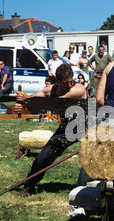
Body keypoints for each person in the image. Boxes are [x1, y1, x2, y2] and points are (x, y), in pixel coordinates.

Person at [16, 63, 87, 197]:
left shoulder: (78, 89)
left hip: (87, 127)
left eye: (72, 81)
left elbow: (58, 102)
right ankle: (28, 186)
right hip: (67, 129)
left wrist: (29, 99)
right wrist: (23, 101)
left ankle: (91, 190)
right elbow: (37, 97)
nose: (70, 84)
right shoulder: (51, 90)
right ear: (58, 81)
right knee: (42, 159)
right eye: (66, 83)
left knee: (94, 158)